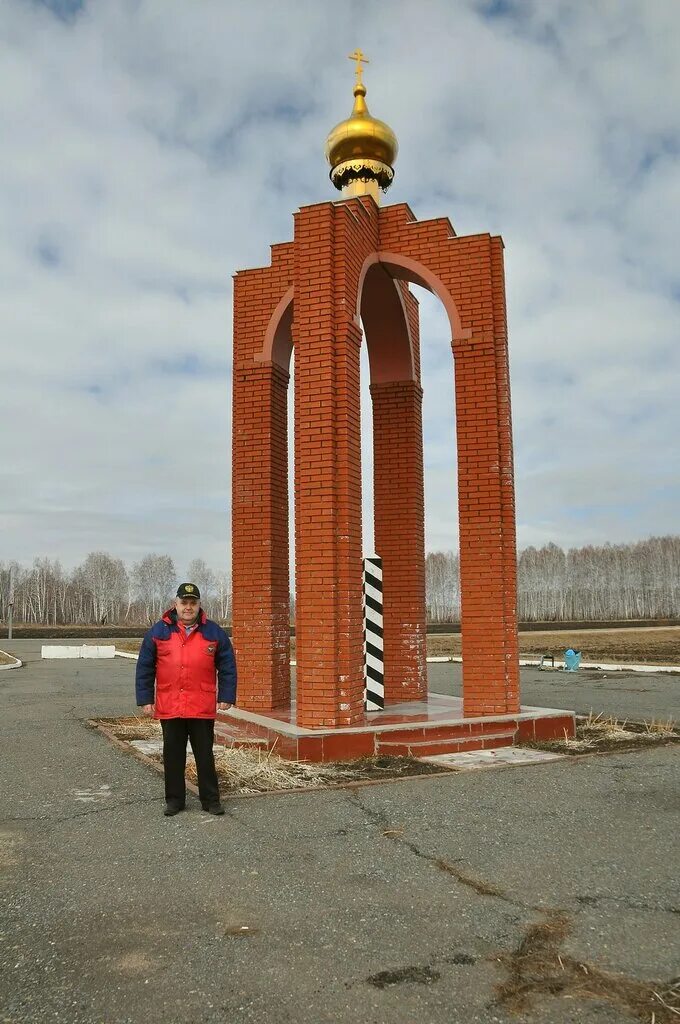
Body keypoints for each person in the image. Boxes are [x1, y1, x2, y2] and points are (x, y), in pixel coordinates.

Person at [135, 582, 237, 817]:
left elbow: (228, 666)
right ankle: (174, 801)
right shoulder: (158, 632)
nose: (188, 607)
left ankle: (211, 800)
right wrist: (145, 698)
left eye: (193, 603)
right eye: (184, 603)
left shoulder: (213, 632)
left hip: (201, 705)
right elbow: (145, 668)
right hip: (170, 705)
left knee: (204, 755)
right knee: (173, 755)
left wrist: (226, 696)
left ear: (199, 605)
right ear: (176, 604)